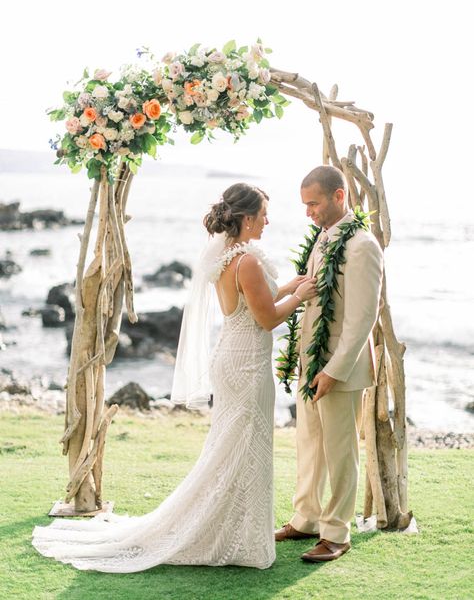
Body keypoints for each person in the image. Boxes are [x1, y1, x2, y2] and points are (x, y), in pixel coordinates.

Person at [32, 182, 316, 572]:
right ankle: (229, 534)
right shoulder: (247, 262)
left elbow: (257, 300)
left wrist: (290, 286)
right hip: (246, 364)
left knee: (233, 449)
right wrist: (300, 298)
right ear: (247, 218)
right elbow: (266, 318)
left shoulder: (230, 258)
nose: (268, 221)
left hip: (234, 359)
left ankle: (238, 530)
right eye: (264, 214)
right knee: (241, 448)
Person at [275, 165, 383, 563]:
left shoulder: (362, 245)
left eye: (314, 203)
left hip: (342, 368)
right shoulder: (323, 238)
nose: (309, 213)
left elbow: (360, 319)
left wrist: (334, 371)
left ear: (339, 197)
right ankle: (306, 518)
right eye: (305, 205)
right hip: (310, 361)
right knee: (309, 444)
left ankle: (336, 532)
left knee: (340, 452)